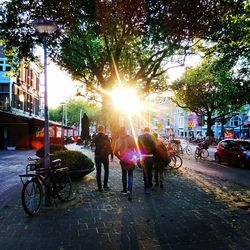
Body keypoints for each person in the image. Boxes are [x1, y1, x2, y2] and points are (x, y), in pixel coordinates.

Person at [114, 127, 137, 201]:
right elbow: (136, 148)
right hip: (130, 159)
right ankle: (129, 190)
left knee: (124, 174)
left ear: (120, 132)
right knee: (130, 175)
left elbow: (115, 152)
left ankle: (124, 190)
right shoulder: (131, 138)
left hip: (123, 160)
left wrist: (120, 157)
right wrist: (134, 156)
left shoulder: (118, 140)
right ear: (125, 131)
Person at [92, 125, 113, 192]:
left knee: (98, 171)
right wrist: (111, 155)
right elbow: (110, 146)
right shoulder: (106, 137)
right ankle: (105, 185)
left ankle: (99, 187)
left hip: (97, 155)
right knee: (106, 170)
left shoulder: (95, 136)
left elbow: (91, 145)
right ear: (103, 129)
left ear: (98, 129)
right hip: (105, 156)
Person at [138, 127, 156, 195]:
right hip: (150, 156)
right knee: (150, 171)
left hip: (143, 157)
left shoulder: (140, 137)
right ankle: (150, 185)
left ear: (144, 131)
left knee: (145, 172)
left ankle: (146, 187)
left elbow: (138, 147)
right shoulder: (152, 137)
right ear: (149, 131)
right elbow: (155, 147)